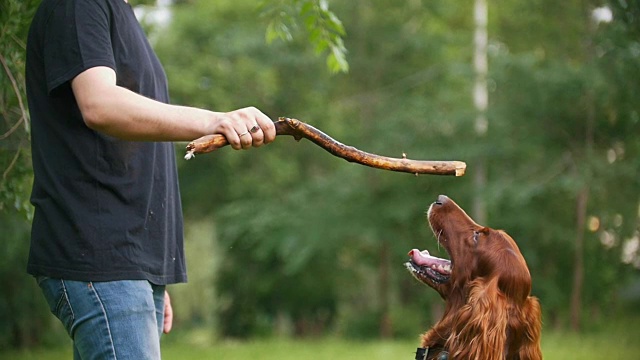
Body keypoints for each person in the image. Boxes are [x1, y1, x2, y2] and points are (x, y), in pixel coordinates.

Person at [25, 0, 276, 358]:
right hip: (101, 256)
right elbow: (99, 104)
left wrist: (146, 271)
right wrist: (213, 120)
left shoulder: (118, 11)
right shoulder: (80, 4)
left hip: (125, 266)